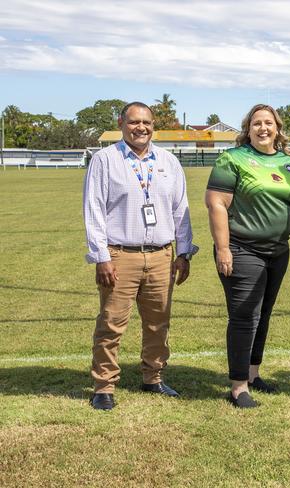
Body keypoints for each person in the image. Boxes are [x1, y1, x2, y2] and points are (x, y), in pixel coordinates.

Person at [83, 101, 197, 411]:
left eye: (146, 122)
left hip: (161, 255)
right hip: (120, 255)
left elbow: (180, 210)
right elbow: (93, 210)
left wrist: (184, 252)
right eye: (134, 121)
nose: (141, 127)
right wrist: (101, 255)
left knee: (158, 323)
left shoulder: (169, 162)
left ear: (153, 125)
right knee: (111, 323)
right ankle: (104, 385)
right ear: (121, 123)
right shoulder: (105, 160)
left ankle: (153, 377)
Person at [205, 104, 290, 409]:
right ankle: (238, 386)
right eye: (256, 123)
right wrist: (223, 248)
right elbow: (217, 204)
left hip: (278, 251)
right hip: (242, 248)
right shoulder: (232, 159)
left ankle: (253, 373)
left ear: (278, 129)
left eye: (269, 123)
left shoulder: (288, 164)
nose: (263, 128)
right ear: (247, 129)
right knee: (245, 315)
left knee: (263, 314)